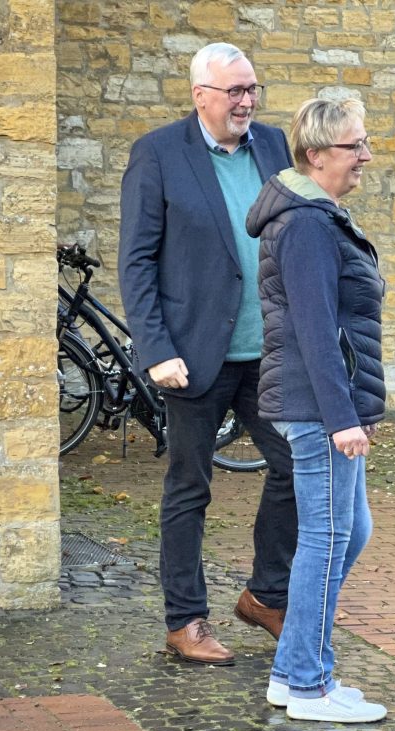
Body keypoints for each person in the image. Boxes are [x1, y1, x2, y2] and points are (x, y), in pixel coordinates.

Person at [118, 42, 297, 666]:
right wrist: (155, 349)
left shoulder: (274, 146)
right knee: (189, 487)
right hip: (193, 355)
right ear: (201, 96)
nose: (247, 102)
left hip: (270, 351)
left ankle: (266, 595)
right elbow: (137, 261)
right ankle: (185, 620)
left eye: (253, 89)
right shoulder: (160, 153)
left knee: (298, 467)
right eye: (234, 92)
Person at [247, 96, 387, 723]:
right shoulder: (304, 224)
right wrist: (341, 418)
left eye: (364, 143)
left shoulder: (318, 216)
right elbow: (315, 329)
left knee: (347, 532)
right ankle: (307, 682)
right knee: (326, 539)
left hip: (324, 404)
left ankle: (295, 671)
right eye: (354, 145)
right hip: (316, 408)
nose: (365, 155)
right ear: (316, 155)